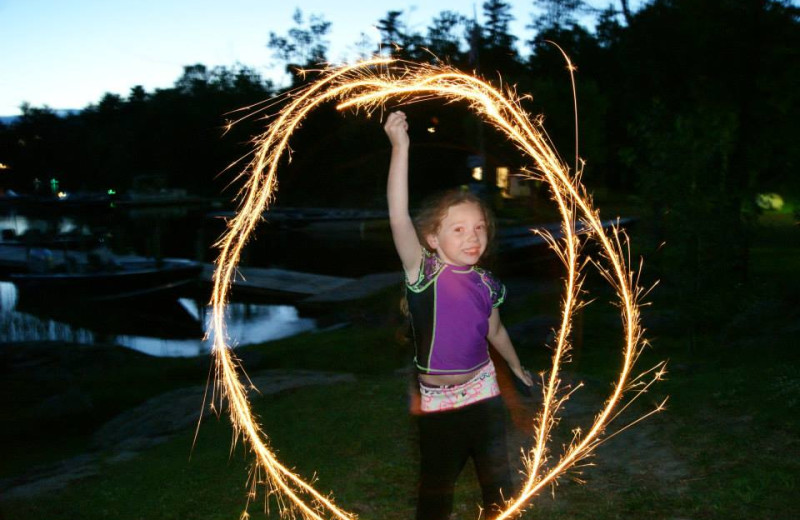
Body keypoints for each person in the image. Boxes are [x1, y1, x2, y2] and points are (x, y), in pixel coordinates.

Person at [384, 111, 533, 520]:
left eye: (480, 228)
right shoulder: (424, 274)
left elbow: (495, 331)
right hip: (438, 402)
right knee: (436, 490)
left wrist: (517, 368)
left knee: (497, 483)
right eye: (459, 229)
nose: (473, 237)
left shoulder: (487, 284)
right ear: (432, 237)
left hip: (484, 391)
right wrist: (401, 147)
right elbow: (398, 217)